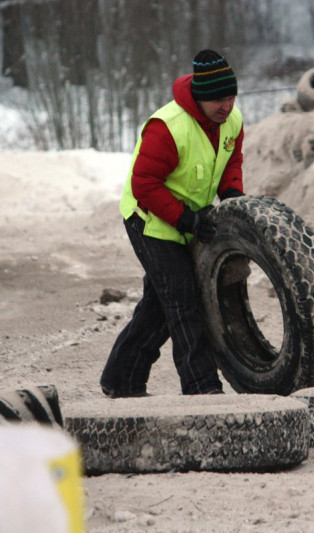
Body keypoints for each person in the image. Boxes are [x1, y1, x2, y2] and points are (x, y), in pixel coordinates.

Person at [99, 49, 245, 398]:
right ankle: (202, 388)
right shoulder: (168, 127)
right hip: (149, 219)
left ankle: (121, 380)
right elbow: (144, 185)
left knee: (159, 303)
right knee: (182, 297)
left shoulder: (232, 120)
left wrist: (233, 199)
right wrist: (187, 219)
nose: (226, 106)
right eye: (217, 100)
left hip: (186, 219)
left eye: (230, 96)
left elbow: (230, 161)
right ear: (199, 97)